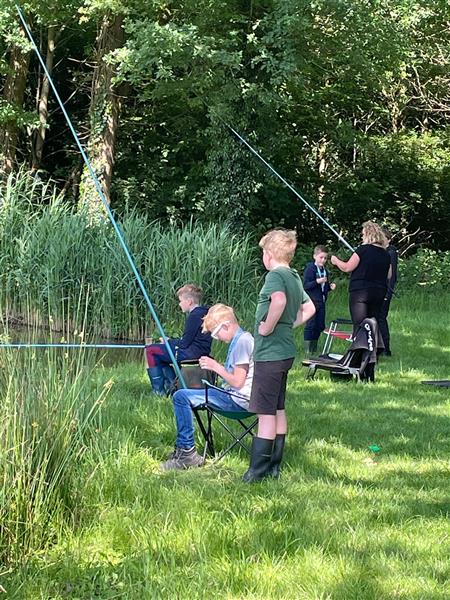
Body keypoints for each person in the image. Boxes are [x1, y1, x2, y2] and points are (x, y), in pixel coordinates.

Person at [243, 229, 316, 483]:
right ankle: (274, 467)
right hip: (284, 352)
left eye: (263, 252)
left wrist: (268, 327)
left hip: (270, 353)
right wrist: (289, 325)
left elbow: (279, 301)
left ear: (269, 254)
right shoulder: (293, 276)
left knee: (265, 412)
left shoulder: (275, 275)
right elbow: (310, 307)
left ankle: (257, 472)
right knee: (278, 407)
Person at [160, 303, 254, 470]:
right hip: (235, 395)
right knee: (187, 393)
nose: (217, 339)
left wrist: (215, 367)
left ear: (226, 325)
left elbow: (238, 382)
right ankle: (184, 449)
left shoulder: (243, 342)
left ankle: (187, 453)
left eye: (216, 334)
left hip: (238, 400)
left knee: (181, 396)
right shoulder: (241, 339)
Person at [145, 284, 212, 394]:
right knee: (160, 352)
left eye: (181, 301)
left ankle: (159, 391)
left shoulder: (194, 316)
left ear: (189, 301)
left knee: (151, 350)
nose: (179, 304)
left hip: (190, 353)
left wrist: (169, 341)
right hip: (200, 351)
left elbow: (184, 343)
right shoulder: (205, 312)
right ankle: (171, 387)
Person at [330, 221, 391, 334]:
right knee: (373, 324)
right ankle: (372, 345)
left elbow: (347, 267)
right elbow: (389, 274)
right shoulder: (386, 254)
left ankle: (359, 344)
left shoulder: (363, 250)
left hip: (360, 292)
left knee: (360, 325)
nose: (362, 237)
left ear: (368, 234)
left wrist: (336, 261)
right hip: (379, 292)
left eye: (363, 234)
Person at [303, 245, 336, 355]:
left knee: (320, 325)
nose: (323, 260)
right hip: (311, 301)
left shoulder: (325, 271)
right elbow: (306, 285)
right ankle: (308, 349)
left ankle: (314, 346)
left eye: (325, 258)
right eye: (321, 257)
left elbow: (324, 286)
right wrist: (317, 281)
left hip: (321, 301)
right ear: (315, 256)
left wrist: (329, 287)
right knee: (311, 325)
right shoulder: (310, 269)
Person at [378, 228, 398, 356]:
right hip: (379, 289)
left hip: (386, 290)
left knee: (381, 318)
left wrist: (387, 292)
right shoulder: (382, 252)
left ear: (388, 240)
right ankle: (379, 347)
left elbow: (391, 276)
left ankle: (386, 349)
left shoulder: (391, 253)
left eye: (383, 238)